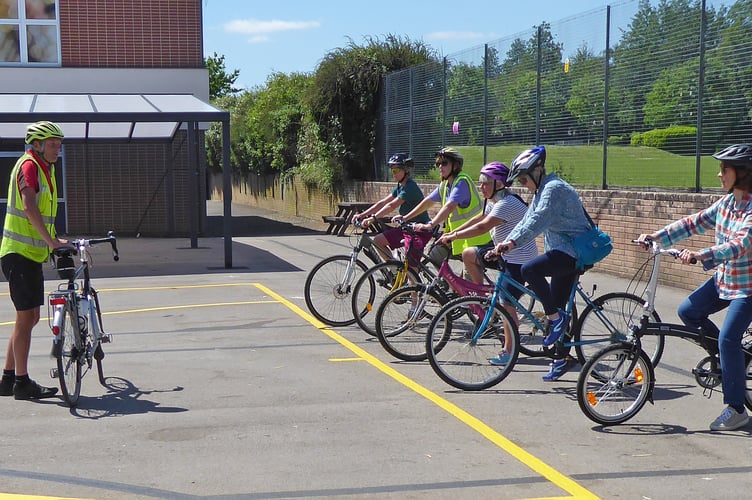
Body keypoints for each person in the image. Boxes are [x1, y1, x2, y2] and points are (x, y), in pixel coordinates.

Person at [637, 144, 752, 431]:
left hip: (747, 288)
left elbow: (741, 244)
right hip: (725, 279)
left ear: (742, 173)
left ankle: (737, 409)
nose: (719, 174)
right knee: (688, 311)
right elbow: (693, 222)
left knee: (728, 339)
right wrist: (658, 237)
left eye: (724, 169)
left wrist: (704, 254)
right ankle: (725, 361)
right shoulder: (726, 204)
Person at [496, 146, 591, 381]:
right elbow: (527, 218)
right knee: (557, 304)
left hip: (574, 251)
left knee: (530, 270)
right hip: (563, 251)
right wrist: (506, 242)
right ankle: (562, 358)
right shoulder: (541, 191)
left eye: (524, 178)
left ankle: (556, 320)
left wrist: (513, 243)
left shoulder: (554, 189)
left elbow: (537, 221)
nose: (522, 183)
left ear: (538, 170)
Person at [438, 161, 538, 364]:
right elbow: (480, 217)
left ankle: (509, 351)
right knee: (469, 254)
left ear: (499, 184)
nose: (481, 186)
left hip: (519, 261)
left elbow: (482, 227)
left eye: (485, 182)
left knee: (506, 305)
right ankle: (488, 291)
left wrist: (454, 236)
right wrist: (451, 233)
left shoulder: (506, 204)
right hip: (503, 254)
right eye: (480, 182)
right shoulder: (495, 201)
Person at [0, 121, 70, 400]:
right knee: (27, 317)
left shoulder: (45, 168)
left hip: (28, 255)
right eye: (53, 144)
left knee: (28, 318)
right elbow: (29, 207)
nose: (58, 149)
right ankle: (22, 382)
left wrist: (55, 241)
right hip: (19, 254)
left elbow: (42, 213)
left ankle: (7, 379)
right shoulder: (29, 165)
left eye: (60, 144)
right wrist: (51, 242)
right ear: (37, 145)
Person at [393, 148, 490, 262]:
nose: (440, 167)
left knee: (468, 277)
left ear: (455, 165)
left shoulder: (462, 182)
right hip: (455, 236)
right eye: (438, 163)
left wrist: (431, 225)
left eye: (444, 163)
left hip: (474, 238)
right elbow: (427, 202)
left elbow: (449, 206)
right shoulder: (445, 185)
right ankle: (445, 280)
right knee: (433, 257)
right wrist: (405, 217)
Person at [351, 153, 431, 265]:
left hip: (418, 231)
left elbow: (391, 205)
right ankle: (395, 270)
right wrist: (362, 215)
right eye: (392, 170)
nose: (393, 173)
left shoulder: (410, 187)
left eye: (396, 170)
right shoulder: (400, 186)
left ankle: (410, 278)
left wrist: (372, 218)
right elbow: (383, 202)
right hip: (406, 228)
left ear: (405, 170)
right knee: (378, 241)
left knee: (411, 268)